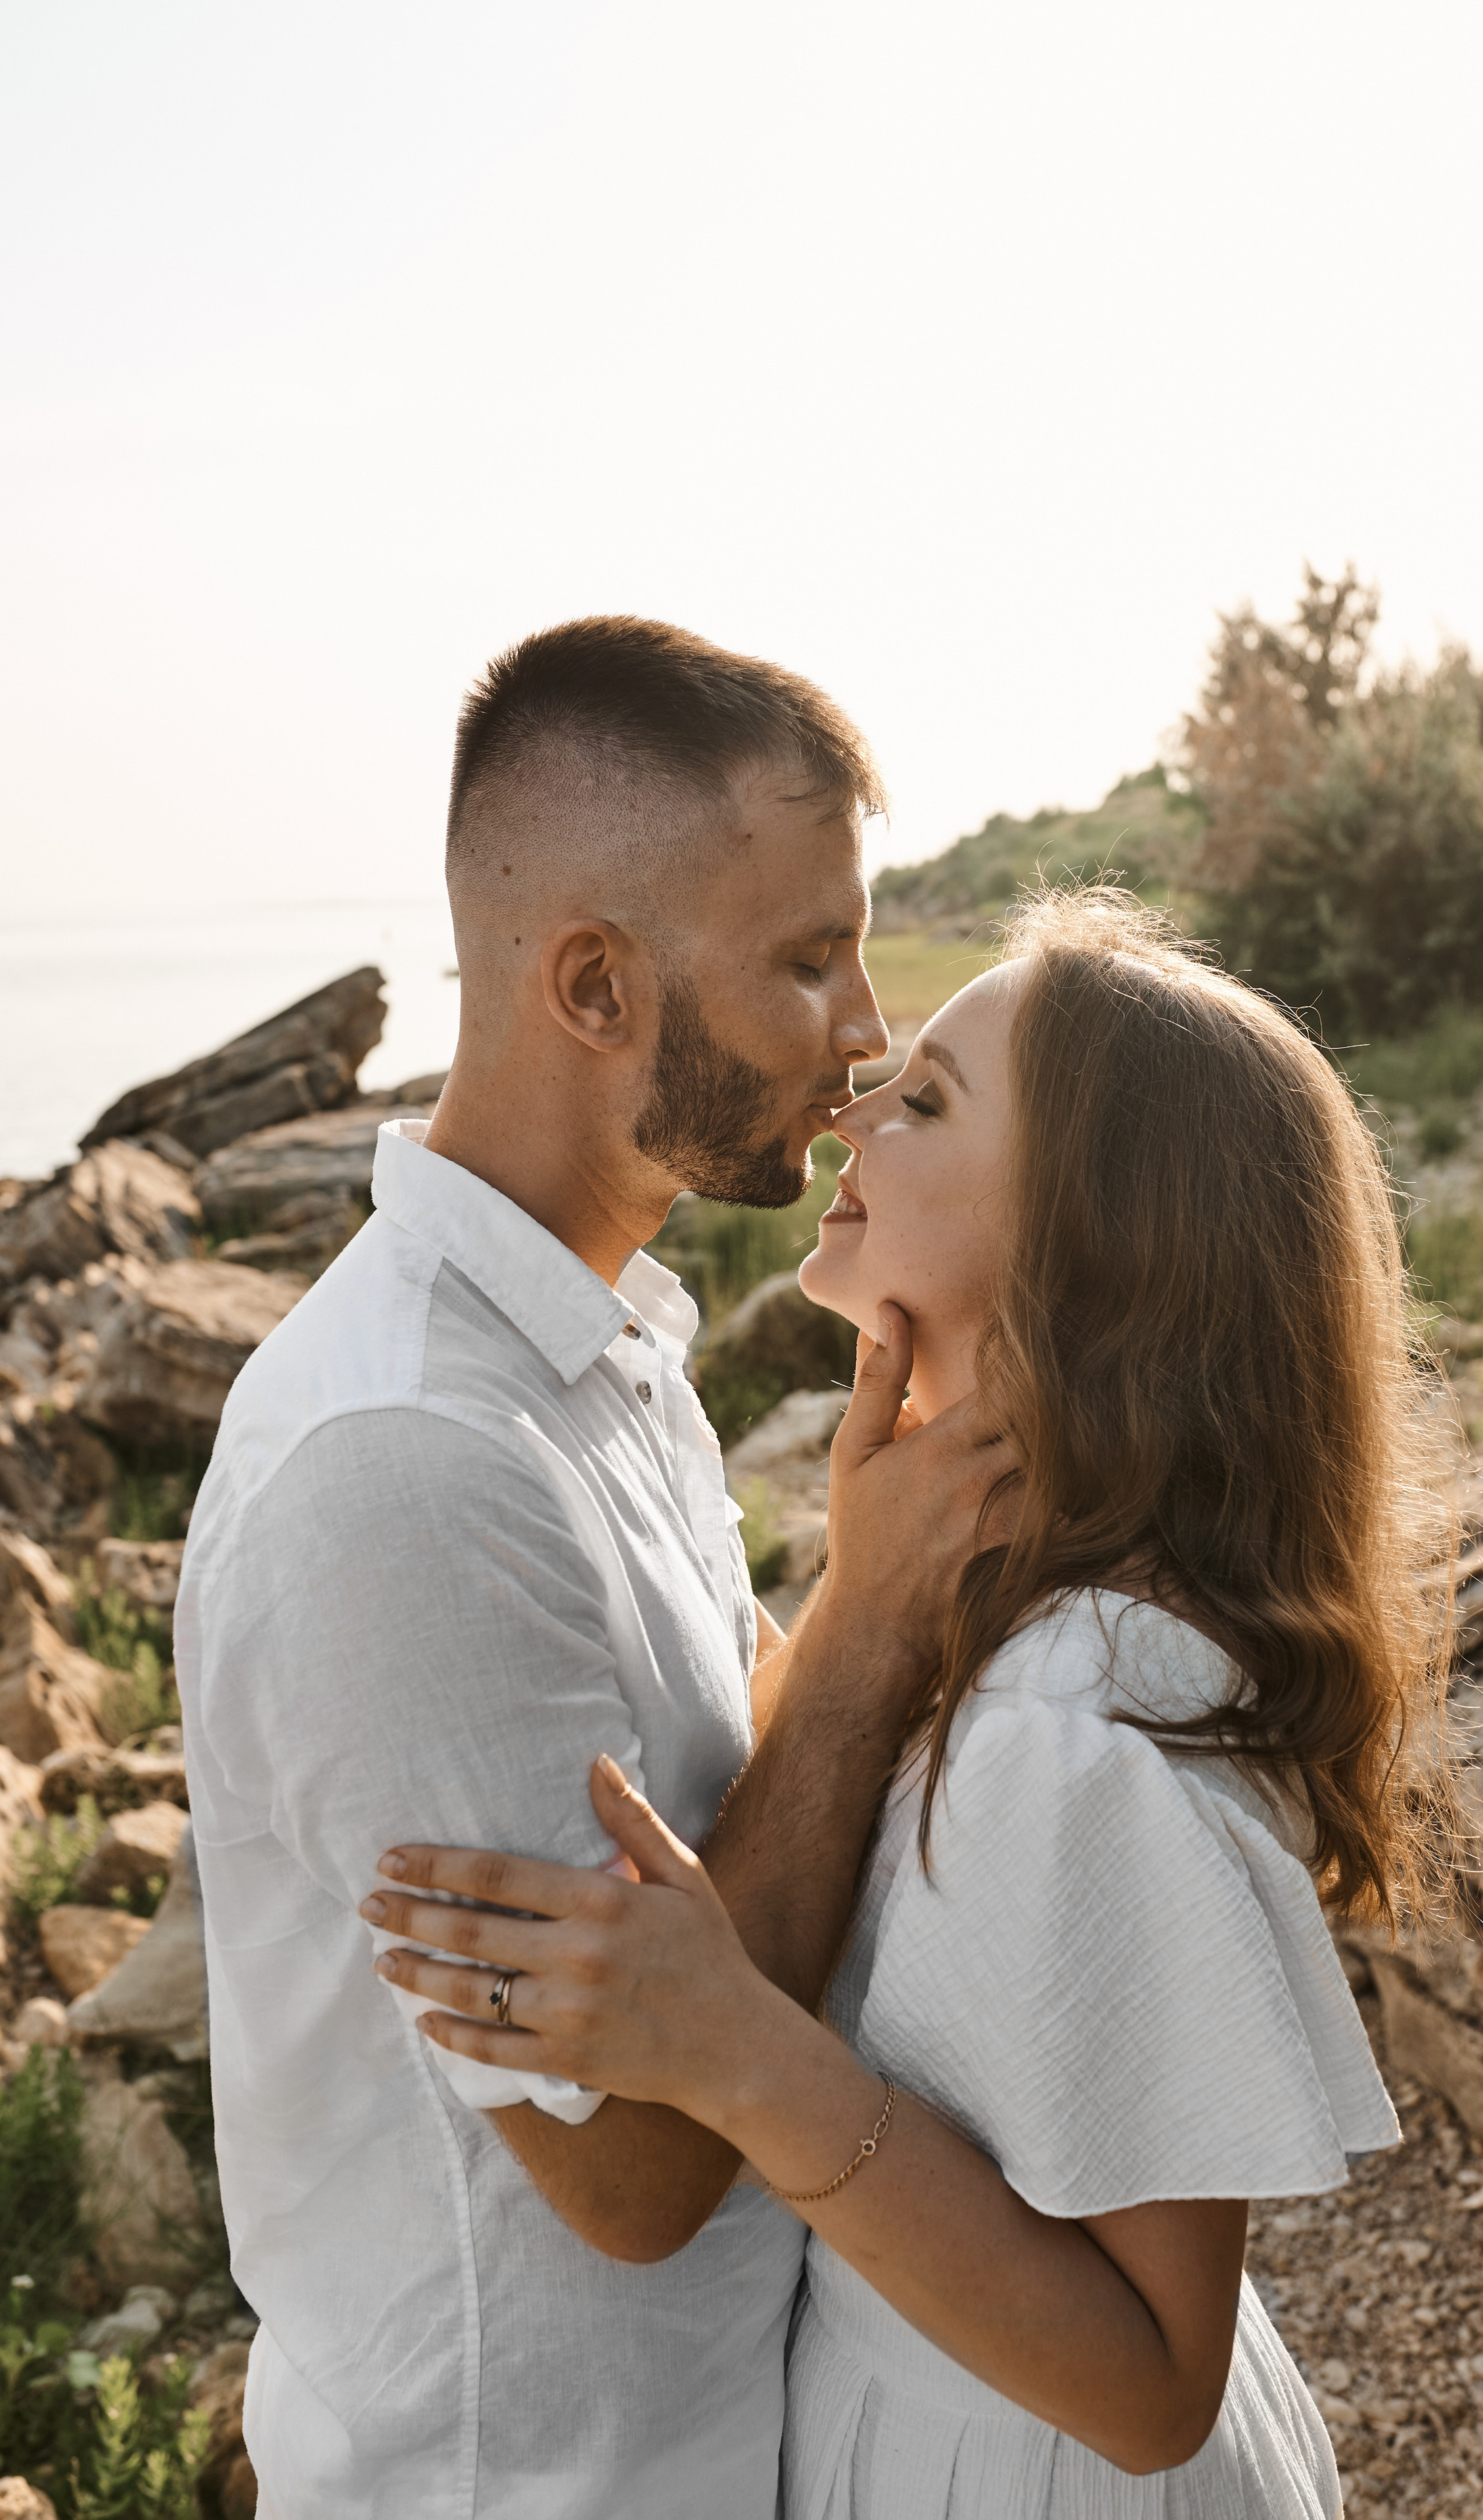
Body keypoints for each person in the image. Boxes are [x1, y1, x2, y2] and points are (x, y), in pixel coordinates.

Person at [369, 885, 1463, 2519]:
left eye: (929, 1101)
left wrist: (739, 2054)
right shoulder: (1014, 1620)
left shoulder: (1072, 1729)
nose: (854, 1103)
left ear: (1095, 1263)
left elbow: (1153, 2385)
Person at [175, 617, 1005, 2520]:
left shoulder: (599, 1344)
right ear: (595, 988)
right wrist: (868, 1624)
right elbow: (630, 2167)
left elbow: (721, 1835)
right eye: (809, 960)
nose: (868, 1029)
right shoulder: (407, 1470)